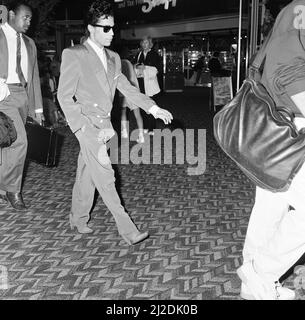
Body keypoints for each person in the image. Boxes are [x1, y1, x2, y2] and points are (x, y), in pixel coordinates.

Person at [57, 0, 173, 245]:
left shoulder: (114, 58)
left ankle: (77, 218)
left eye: (113, 28)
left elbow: (127, 89)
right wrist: (81, 127)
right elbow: (64, 96)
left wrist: (153, 107)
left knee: (87, 174)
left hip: (105, 127)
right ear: (91, 28)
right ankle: (128, 230)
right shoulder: (74, 55)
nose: (111, 33)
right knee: (106, 176)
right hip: (88, 126)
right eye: (105, 28)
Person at [237, 0, 305, 300]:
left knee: (269, 210)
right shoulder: (300, 9)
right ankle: (259, 273)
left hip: (277, 130)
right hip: (293, 127)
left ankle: (255, 285)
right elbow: (285, 66)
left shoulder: (294, 8)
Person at [0, 1, 43, 210]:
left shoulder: (29, 43)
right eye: (25, 17)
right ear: (10, 15)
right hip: (3, 95)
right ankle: (12, 190)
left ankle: (1, 187)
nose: (28, 22)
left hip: (23, 96)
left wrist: (38, 109)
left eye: (30, 19)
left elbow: (34, 77)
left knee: (8, 142)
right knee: (20, 142)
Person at [135, 35, 161, 136]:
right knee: (142, 107)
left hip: (150, 85)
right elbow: (135, 65)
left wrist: (144, 67)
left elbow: (156, 69)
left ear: (150, 44)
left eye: (146, 43)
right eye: (143, 42)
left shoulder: (154, 54)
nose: (144, 44)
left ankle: (152, 129)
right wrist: (137, 67)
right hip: (141, 83)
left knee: (151, 106)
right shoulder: (139, 54)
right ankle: (145, 127)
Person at [118, 46, 145, 143]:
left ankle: (124, 132)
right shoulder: (129, 63)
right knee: (137, 114)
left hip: (123, 92)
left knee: (123, 112)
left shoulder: (118, 63)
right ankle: (141, 136)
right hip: (133, 91)